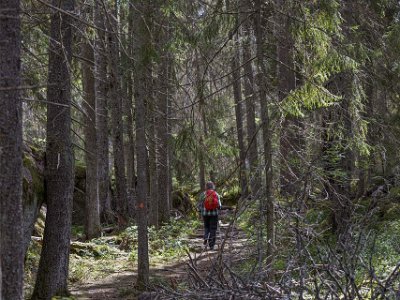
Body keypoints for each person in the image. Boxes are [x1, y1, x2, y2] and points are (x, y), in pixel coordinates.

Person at [198, 181, 222, 250]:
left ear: (206, 187)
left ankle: (206, 238)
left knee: (206, 227)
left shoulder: (203, 194)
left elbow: (199, 206)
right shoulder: (216, 194)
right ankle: (211, 245)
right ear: (212, 186)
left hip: (205, 214)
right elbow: (219, 206)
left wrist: (201, 210)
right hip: (214, 214)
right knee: (213, 229)